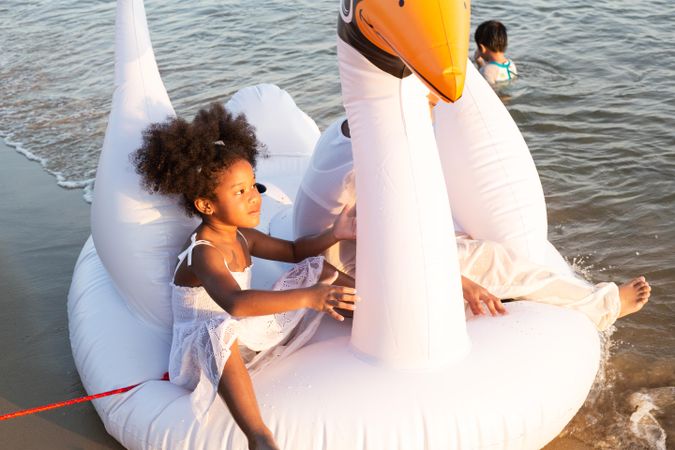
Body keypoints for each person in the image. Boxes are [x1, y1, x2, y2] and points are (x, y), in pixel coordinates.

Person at [133, 103, 358, 450]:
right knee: (216, 330)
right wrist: (311, 297)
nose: (254, 198)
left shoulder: (242, 235)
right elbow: (235, 304)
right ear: (206, 205)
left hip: (244, 331)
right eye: (240, 192)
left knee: (313, 268)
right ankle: (258, 435)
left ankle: (374, 306)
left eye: (253, 185)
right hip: (203, 351)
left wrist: (335, 233)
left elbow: (297, 251)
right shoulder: (203, 252)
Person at [294, 117, 651, 327]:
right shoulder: (374, 162)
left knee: (459, 239)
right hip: (346, 272)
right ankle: (606, 304)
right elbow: (393, 250)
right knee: (498, 260)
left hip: (331, 249)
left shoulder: (345, 130)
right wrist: (461, 282)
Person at [473, 20, 518, 85]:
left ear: (482, 48)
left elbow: (487, 90)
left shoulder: (487, 70)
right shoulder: (511, 64)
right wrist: (479, 63)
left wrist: (481, 68)